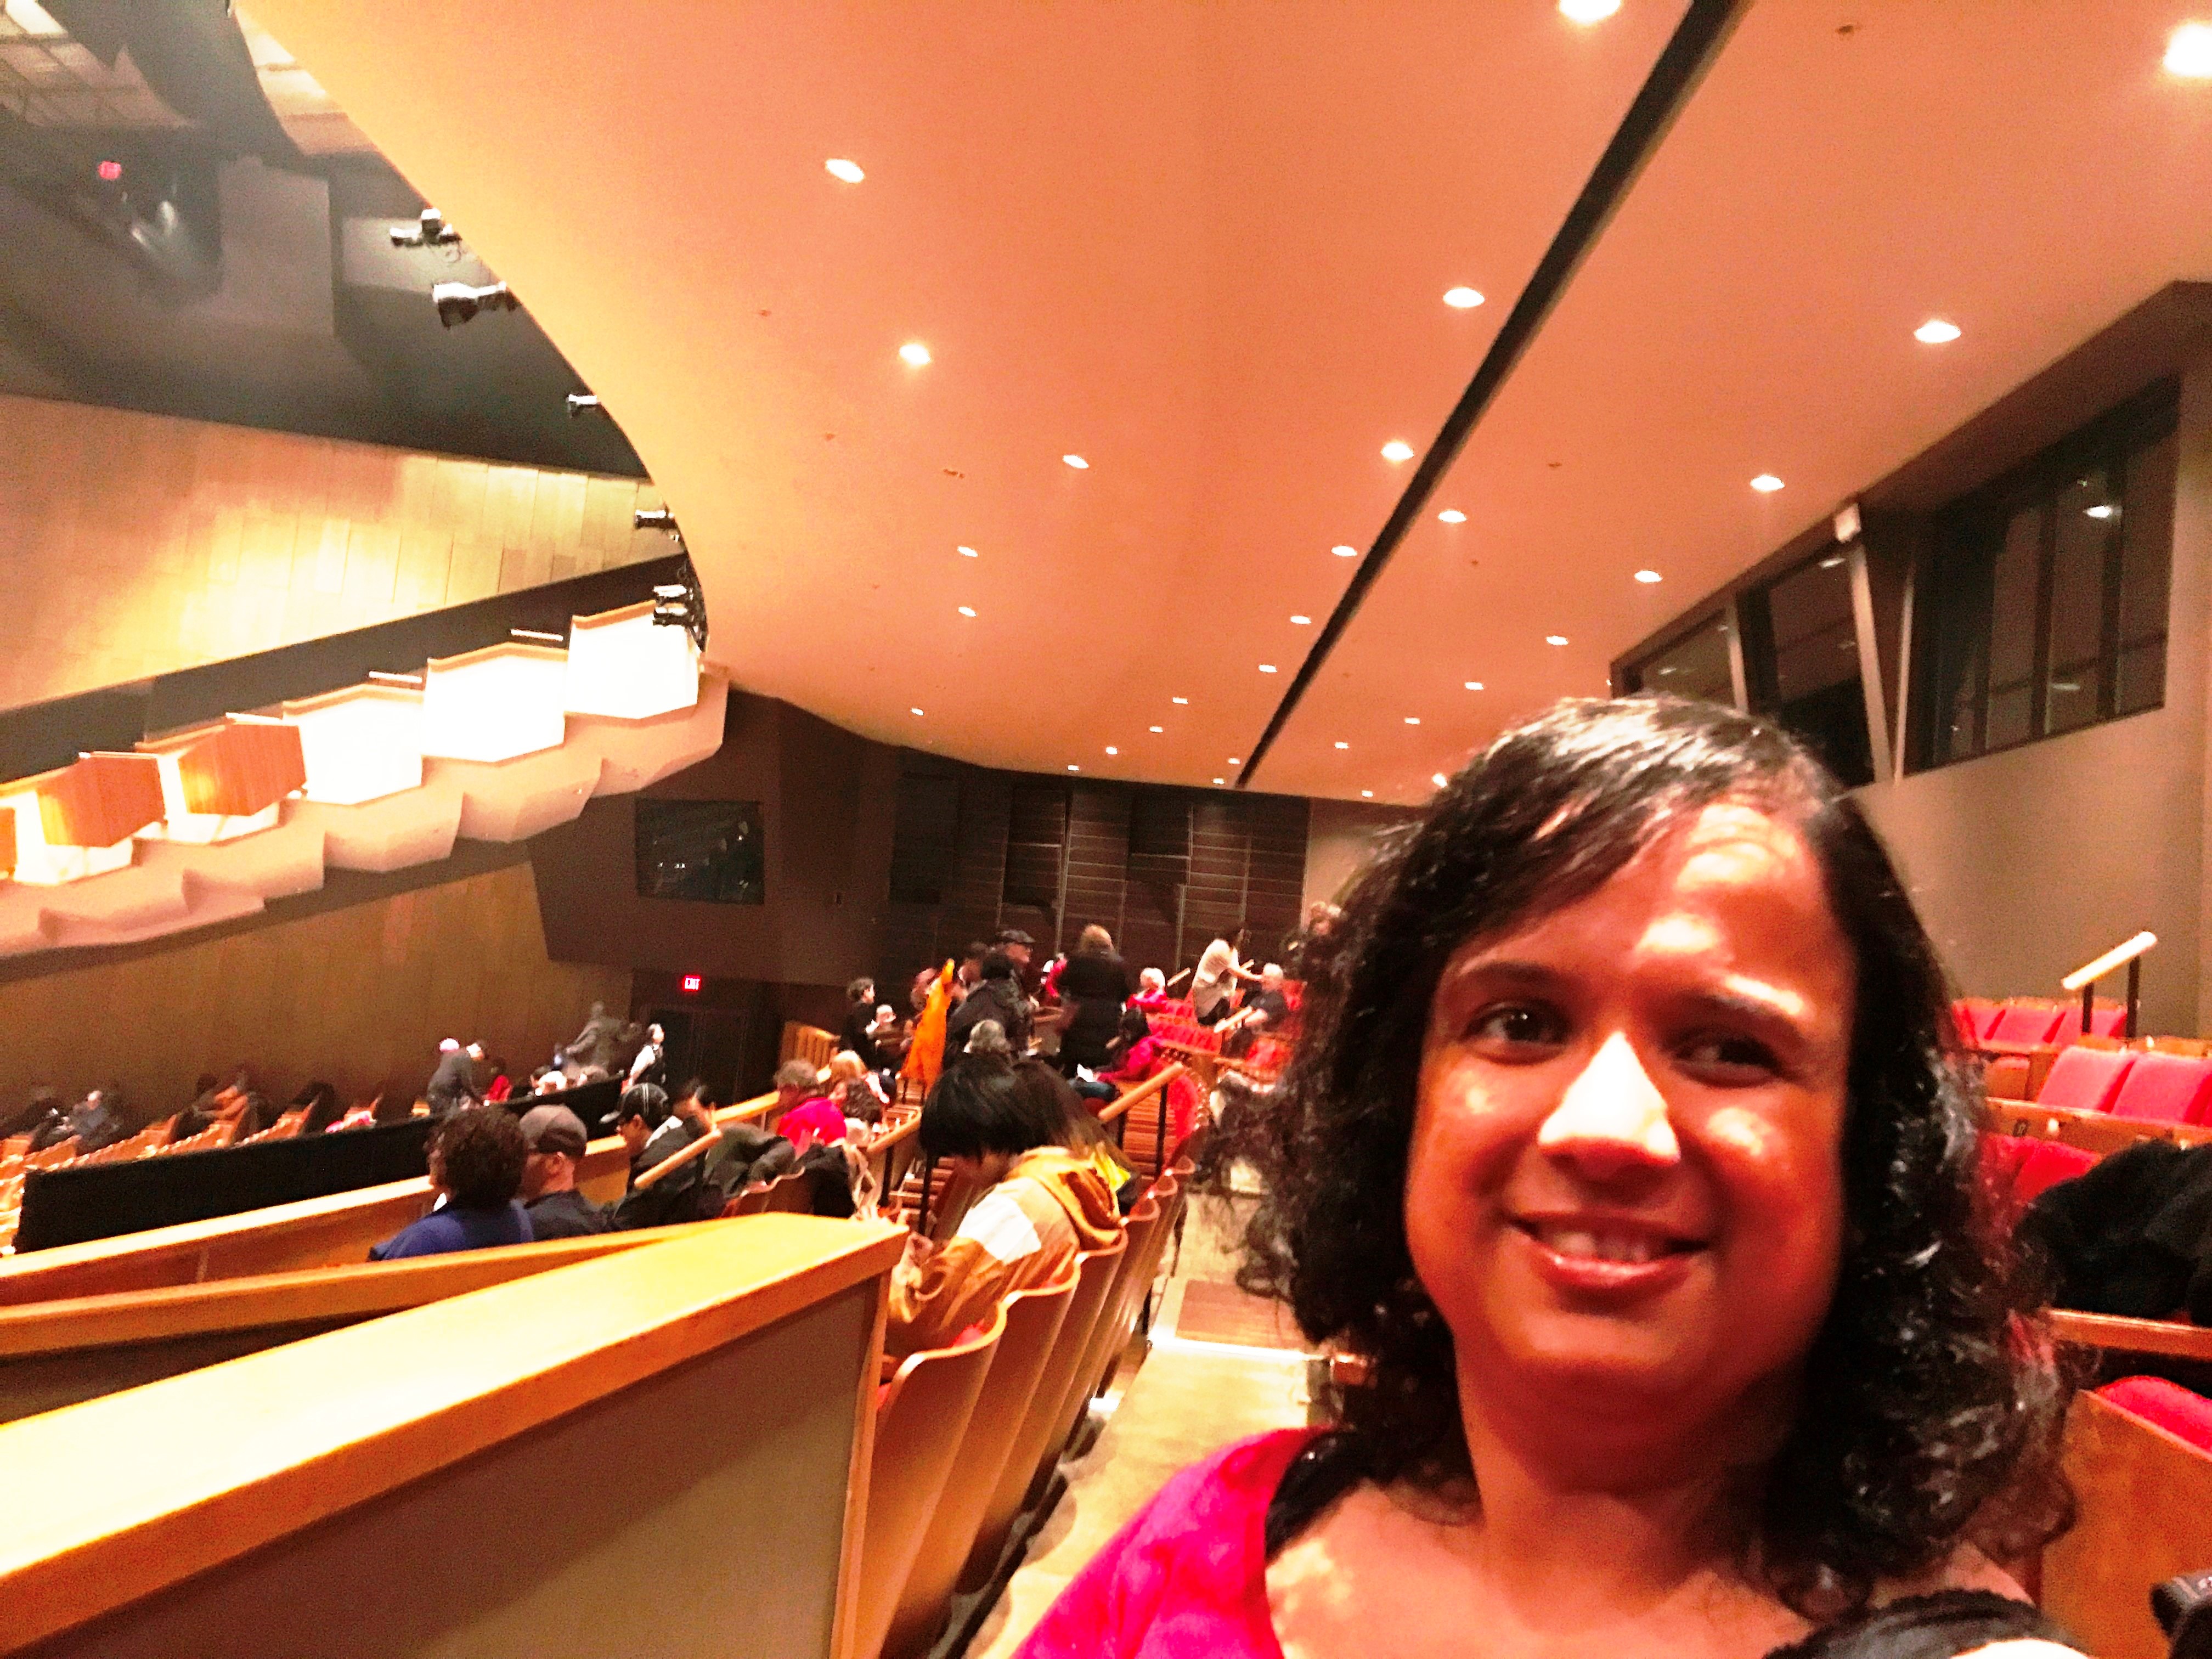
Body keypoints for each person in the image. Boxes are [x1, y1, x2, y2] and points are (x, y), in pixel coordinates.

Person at [1014, 697, 2070, 1657]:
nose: (1604, 1126)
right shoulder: (1200, 1542)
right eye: (1518, 1022)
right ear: (1398, 1103)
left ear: (1867, 1145)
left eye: (1727, 1047)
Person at [885, 1060, 1119, 1357]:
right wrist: (938, 1254)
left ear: (975, 1139)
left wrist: (894, 1260)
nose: (957, 1167)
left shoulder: (1017, 1204)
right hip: (1032, 1362)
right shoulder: (1065, 1175)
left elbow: (918, 1324)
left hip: (970, 1384)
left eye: (955, 1153)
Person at [369, 1105, 532, 1260]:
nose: (432, 1153)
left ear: (463, 1164)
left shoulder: (426, 1238)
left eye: (442, 1147)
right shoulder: (518, 1216)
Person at [517, 1104, 610, 1238]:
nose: (515, 1161)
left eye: (523, 1153)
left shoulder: (533, 1226)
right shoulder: (597, 1215)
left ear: (555, 1163)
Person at [1057, 923, 1135, 1077]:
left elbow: (1062, 983)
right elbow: (1126, 992)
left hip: (1078, 1017)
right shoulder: (1119, 963)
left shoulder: (1076, 960)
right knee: (1102, 1066)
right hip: (1108, 1019)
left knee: (1072, 1065)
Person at [945, 951, 1031, 1053]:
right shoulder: (1018, 996)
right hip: (1011, 1058)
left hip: (979, 1057)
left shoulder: (982, 996)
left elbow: (957, 1023)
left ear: (985, 969)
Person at [1189, 928, 1260, 1026]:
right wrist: (1256, 978)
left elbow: (1232, 970)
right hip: (1209, 991)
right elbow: (1234, 970)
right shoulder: (1222, 947)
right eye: (1242, 936)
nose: (1243, 940)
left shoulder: (1231, 949)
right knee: (1210, 1023)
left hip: (1220, 991)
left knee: (1221, 1019)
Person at [563, 1001, 624, 1073]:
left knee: (595, 1076)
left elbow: (590, 1041)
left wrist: (573, 1049)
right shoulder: (611, 1023)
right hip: (607, 1055)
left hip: (595, 1058)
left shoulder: (596, 1025)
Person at [840, 978, 887, 1070]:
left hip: (851, 1053)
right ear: (866, 992)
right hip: (859, 1058)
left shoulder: (853, 1008)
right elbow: (862, 1033)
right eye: (872, 990)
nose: (874, 994)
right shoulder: (863, 1008)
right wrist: (876, 1028)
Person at [425, 1039, 480, 1116]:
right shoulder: (464, 1056)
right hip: (443, 1097)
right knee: (450, 1122)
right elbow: (467, 1084)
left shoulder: (447, 1059)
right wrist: (480, 1101)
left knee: (438, 1122)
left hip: (433, 1094)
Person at [626, 1025, 665, 1090]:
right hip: (644, 1088)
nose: (662, 1034)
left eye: (662, 1032)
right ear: (652, 1036)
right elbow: (636, 1071)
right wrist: (631, 1085)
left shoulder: (660, 1050)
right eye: (658, 1032)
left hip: (655, 1088)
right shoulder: (648, 1051)